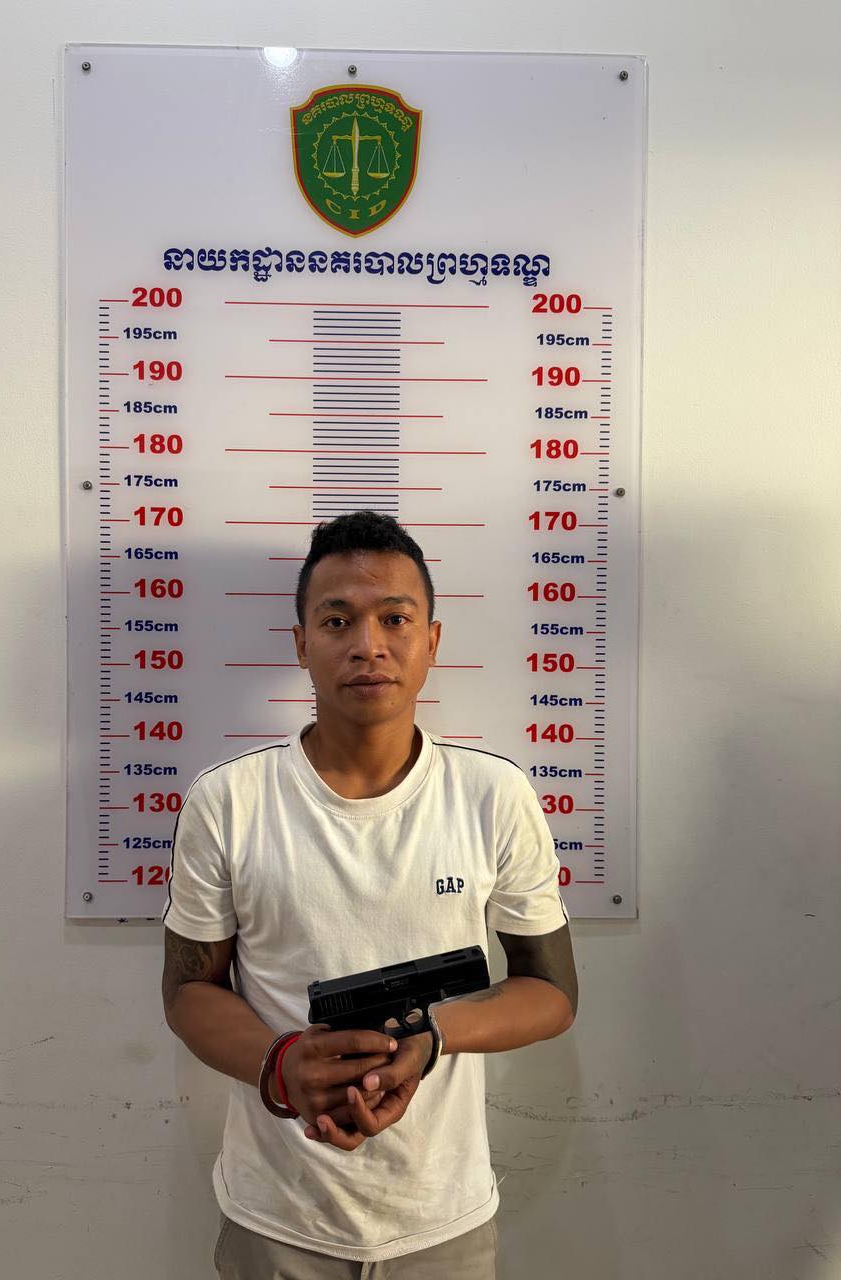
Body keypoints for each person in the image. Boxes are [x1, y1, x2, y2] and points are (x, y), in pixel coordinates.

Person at [162, 511, 578, 1279]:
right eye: (337, 620)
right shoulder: (229, 802)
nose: (368, 644)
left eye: (395, 618)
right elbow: (189, 991)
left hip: (442, 1220)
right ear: (301, 644)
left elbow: (551, 992)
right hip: (277, 1218)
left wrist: (433, 1038)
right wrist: (282, 1064)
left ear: (432, 640)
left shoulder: (493, 796)